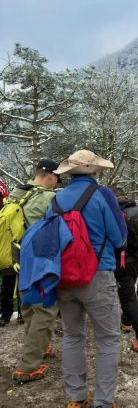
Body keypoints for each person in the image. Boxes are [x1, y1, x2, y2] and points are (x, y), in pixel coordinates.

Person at [48, 150, 127, 408]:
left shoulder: (56, 200)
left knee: (72, 336)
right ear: (94, 171)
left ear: (70, 172)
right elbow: (119, 238)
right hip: (97, 276)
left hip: (64, 278)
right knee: (107, 339)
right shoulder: (102, 195)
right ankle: (102, 405)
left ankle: (75, 397)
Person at [10, 160, 60, 380]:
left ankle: (41, 346)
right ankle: (28, 367)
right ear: (49, 176)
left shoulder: (17, 195)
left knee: (29, 305)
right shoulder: (48, 197)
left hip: (19, 257)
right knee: (45, 309)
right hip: (40, 259)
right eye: (56, 178)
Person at [112, 187, 138, 352]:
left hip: (125, 261)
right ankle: (126, 321)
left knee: (127, 297)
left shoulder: (118, 214)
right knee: (128, 292)